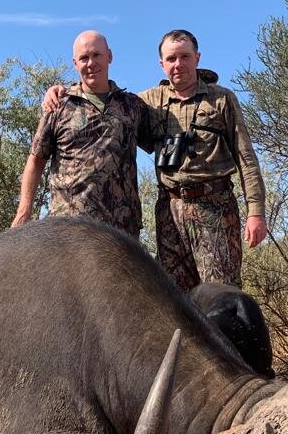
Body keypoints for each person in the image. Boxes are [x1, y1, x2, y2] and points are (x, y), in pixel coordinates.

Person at [42, 29, 268, 292]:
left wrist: (256, 211)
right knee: (175, 297)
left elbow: (246, 157)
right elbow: (103, 103)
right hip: (169, 210)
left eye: (184, 56)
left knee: (221, 294)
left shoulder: (221, 99)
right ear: (162, 64)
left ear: (197, 57)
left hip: (214, 207)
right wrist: (59, 90)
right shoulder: (146, 102)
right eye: (171, 59)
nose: (178, 64)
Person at [11, 30, 153, 237]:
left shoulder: (133, 106)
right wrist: (23, 212)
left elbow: (159, 140)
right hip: (69, 228)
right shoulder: (59, 105)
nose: (91, 63)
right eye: (84, 58)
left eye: (97, 55)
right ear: (75, 63)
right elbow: (36, 160)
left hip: (122, 231)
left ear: (110, 56)